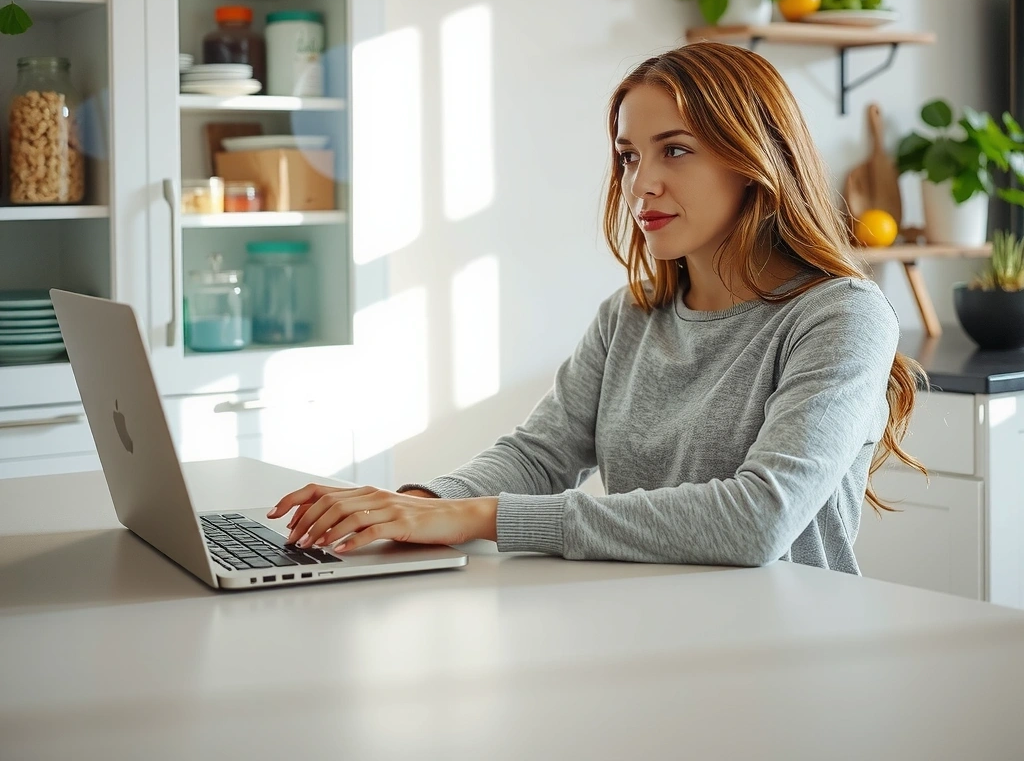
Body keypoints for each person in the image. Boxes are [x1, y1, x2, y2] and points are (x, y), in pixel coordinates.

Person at [268, 42, 928, 574]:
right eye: (628, 157)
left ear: (755, 158)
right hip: (641, 630)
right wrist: (413, 506)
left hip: (787, 653)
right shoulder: (630, 316)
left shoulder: (840, 316)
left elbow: (759, 518)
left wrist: (479, 517)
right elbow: (540, 455)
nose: (641, 184)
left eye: (675, 150)